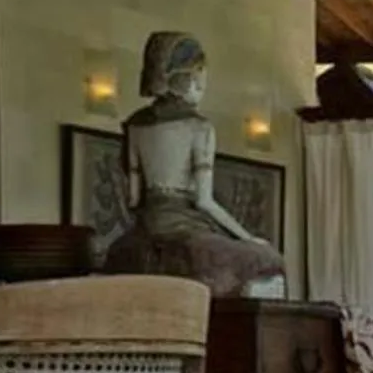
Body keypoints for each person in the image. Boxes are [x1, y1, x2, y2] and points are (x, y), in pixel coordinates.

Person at [103, 31, 286, 297]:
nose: (203, 86)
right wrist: (248, 238)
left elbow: (133, 200)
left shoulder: (135, 126)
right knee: (268, 258)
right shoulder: (199, 127)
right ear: (187, 79)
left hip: (146, 230)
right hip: (185, 229)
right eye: (200, 79)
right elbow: (204, 201)